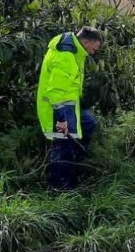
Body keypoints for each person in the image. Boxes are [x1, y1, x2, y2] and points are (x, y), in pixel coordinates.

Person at [36, 26, 104, 189]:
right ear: (85, 42)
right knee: (63, 147)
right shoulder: (65, 57)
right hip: (56, 108)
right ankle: (60, 188)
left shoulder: (74, 50)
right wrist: (61, 120)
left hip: (68, 104)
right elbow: (55, 92)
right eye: (94, 48)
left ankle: (76, 164)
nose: (94, 52)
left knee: (88, 123)